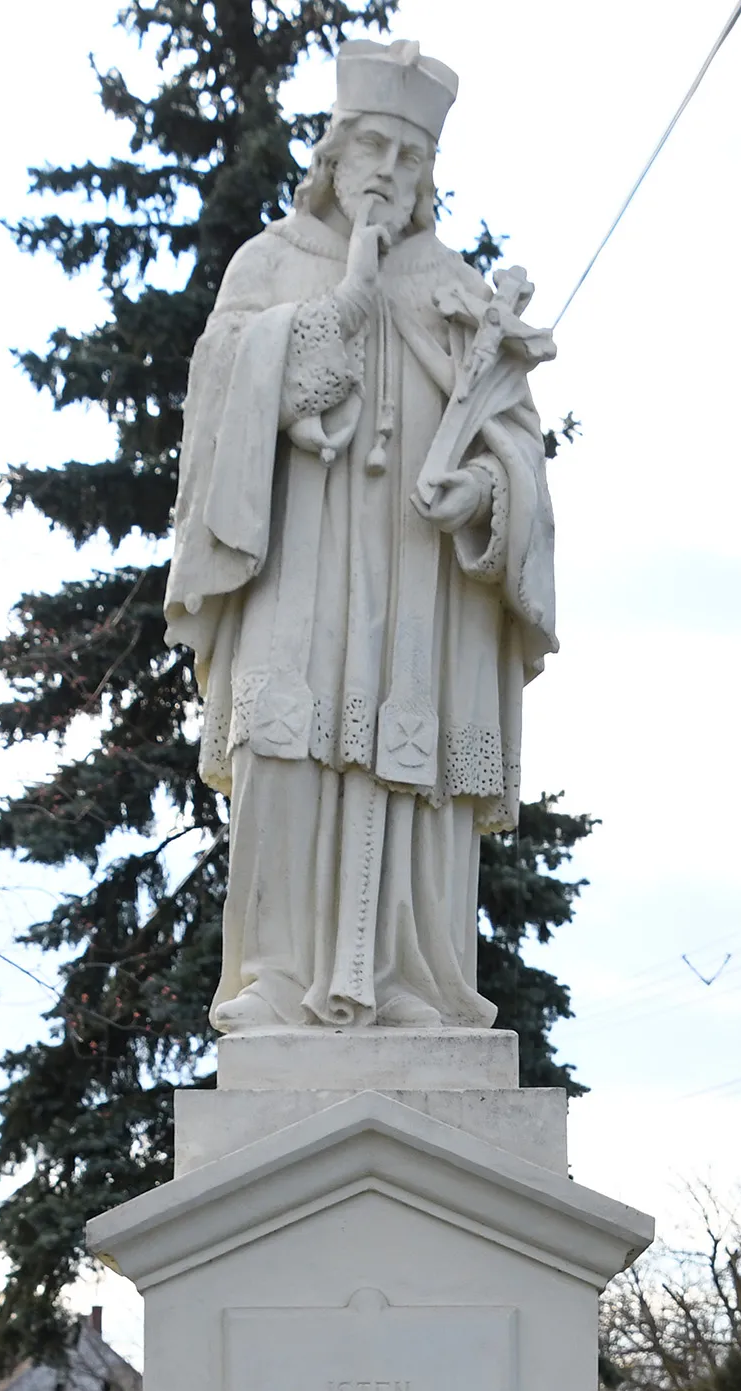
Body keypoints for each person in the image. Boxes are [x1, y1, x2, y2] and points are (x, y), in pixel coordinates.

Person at [165, 37, 557, 1033]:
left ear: (429, 175)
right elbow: (221, 403)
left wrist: (479, 493)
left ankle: (411, 982)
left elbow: (514, 437)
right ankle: (275, 975)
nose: (387, 168)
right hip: (296, 556)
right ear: (332, 154)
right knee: (283, 747)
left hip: (418, 576)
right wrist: (338, 294)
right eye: (371, 145)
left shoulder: (458, 290)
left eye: (409, 155)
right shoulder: (269, 263)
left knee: (408, 754)